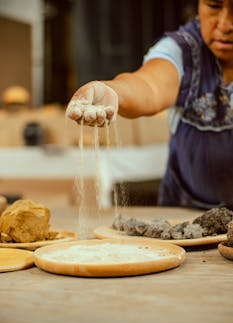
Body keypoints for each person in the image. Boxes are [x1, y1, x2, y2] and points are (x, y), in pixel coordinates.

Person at [66, 0, 233, 210]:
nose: (226, 25)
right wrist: (113, 91)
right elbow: (149, 86)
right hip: (186, 216)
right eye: (214, 6)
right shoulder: (183, 50)